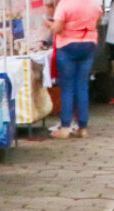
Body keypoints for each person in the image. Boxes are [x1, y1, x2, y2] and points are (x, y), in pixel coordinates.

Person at [47, 0, 102, 139]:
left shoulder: (65, 4)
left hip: (67, 46)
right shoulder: (94, 4)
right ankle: (83, 128)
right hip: (89, 45)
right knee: (82, 86)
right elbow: (98, 22)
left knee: (67, 88)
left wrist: (47, 24)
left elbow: (57, 29)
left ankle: (65, 127)